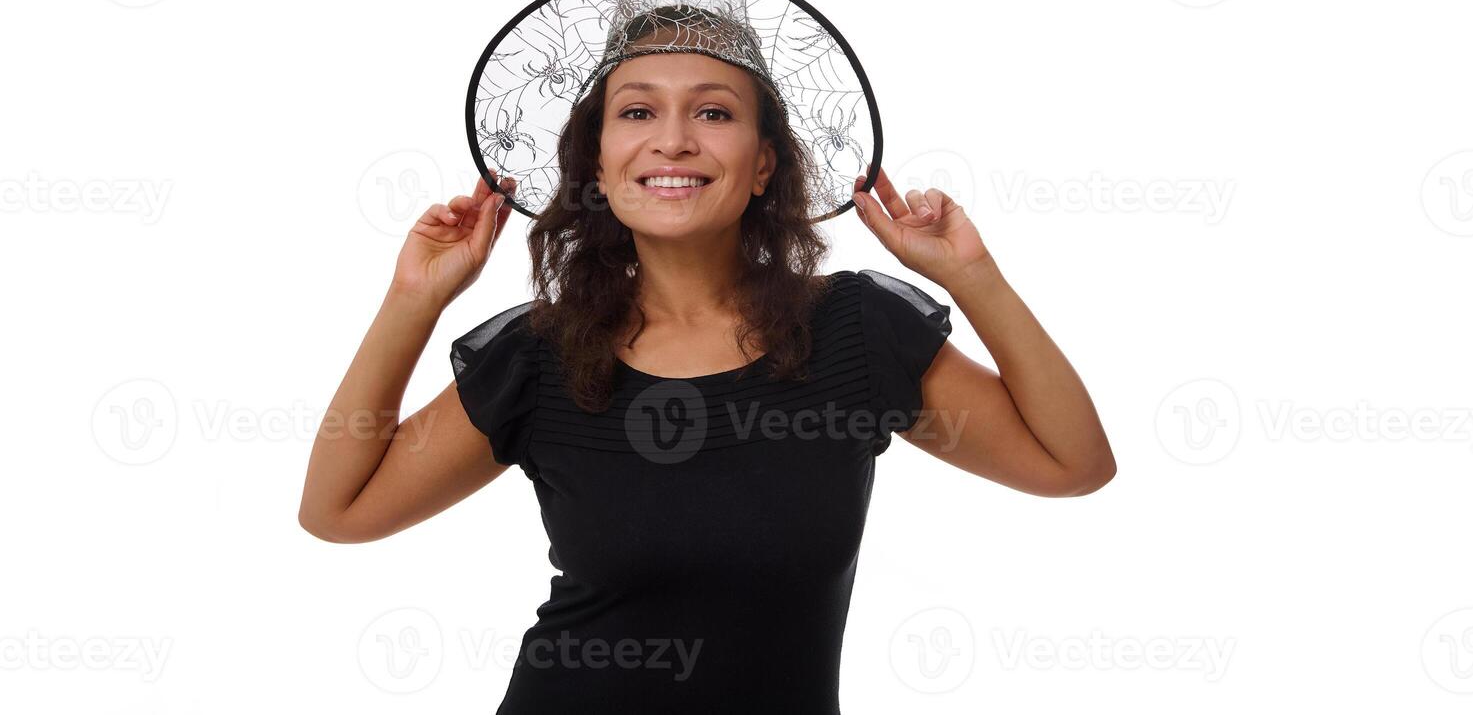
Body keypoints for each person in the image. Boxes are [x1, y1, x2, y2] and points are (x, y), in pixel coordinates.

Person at [297, 40, 1116, 714]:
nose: (674, 140)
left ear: (762, 165)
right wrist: (413, 300)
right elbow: (337, 511)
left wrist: (972, 277)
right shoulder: (542, 356)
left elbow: (1072, 463)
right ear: (600, 161)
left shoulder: (855, 333)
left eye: (713, 112)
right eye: (638, 111)